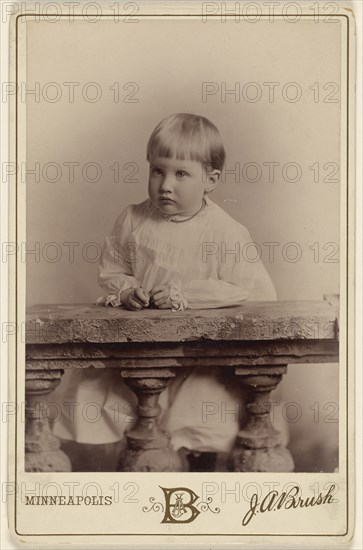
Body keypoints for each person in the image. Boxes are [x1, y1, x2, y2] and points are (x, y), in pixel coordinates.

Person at [53, 113, 278, 471]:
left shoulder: (225, 232)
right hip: (147, 347)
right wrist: (127, 291)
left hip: (204, 352)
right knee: (134, 417)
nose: (165, 185)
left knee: (203, 418)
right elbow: (112, 271)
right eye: (157, 171)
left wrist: (181, 294)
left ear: (211, 179)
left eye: (181, 174)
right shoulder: (132, 220)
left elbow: (240, 288)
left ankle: (200, 474)